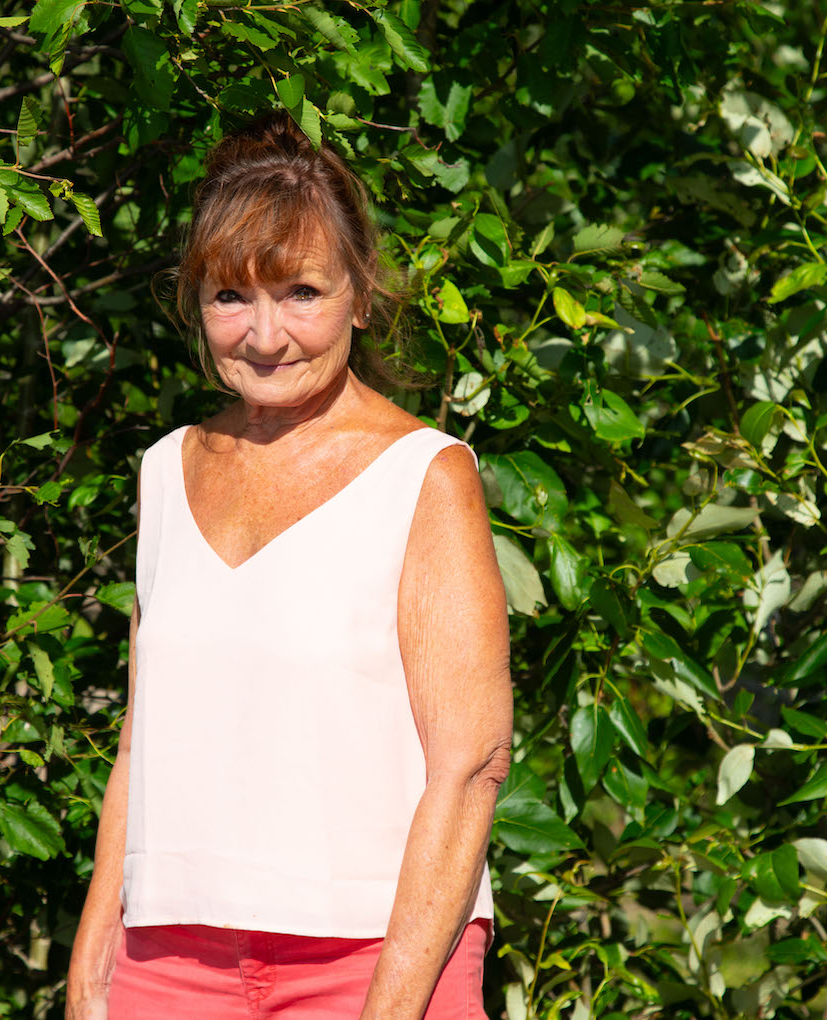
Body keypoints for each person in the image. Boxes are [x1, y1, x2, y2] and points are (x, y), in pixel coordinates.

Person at [66, 113, 513, 1020]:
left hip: (376, 963)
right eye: (231, 297)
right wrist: (93, 958)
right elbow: (141, 740)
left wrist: (389, 1010)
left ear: (360, 294)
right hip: (168, 963)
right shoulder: (165, 469)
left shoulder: (424, 476)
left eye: (301, 292)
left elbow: (469, 767)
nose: (265, 335)